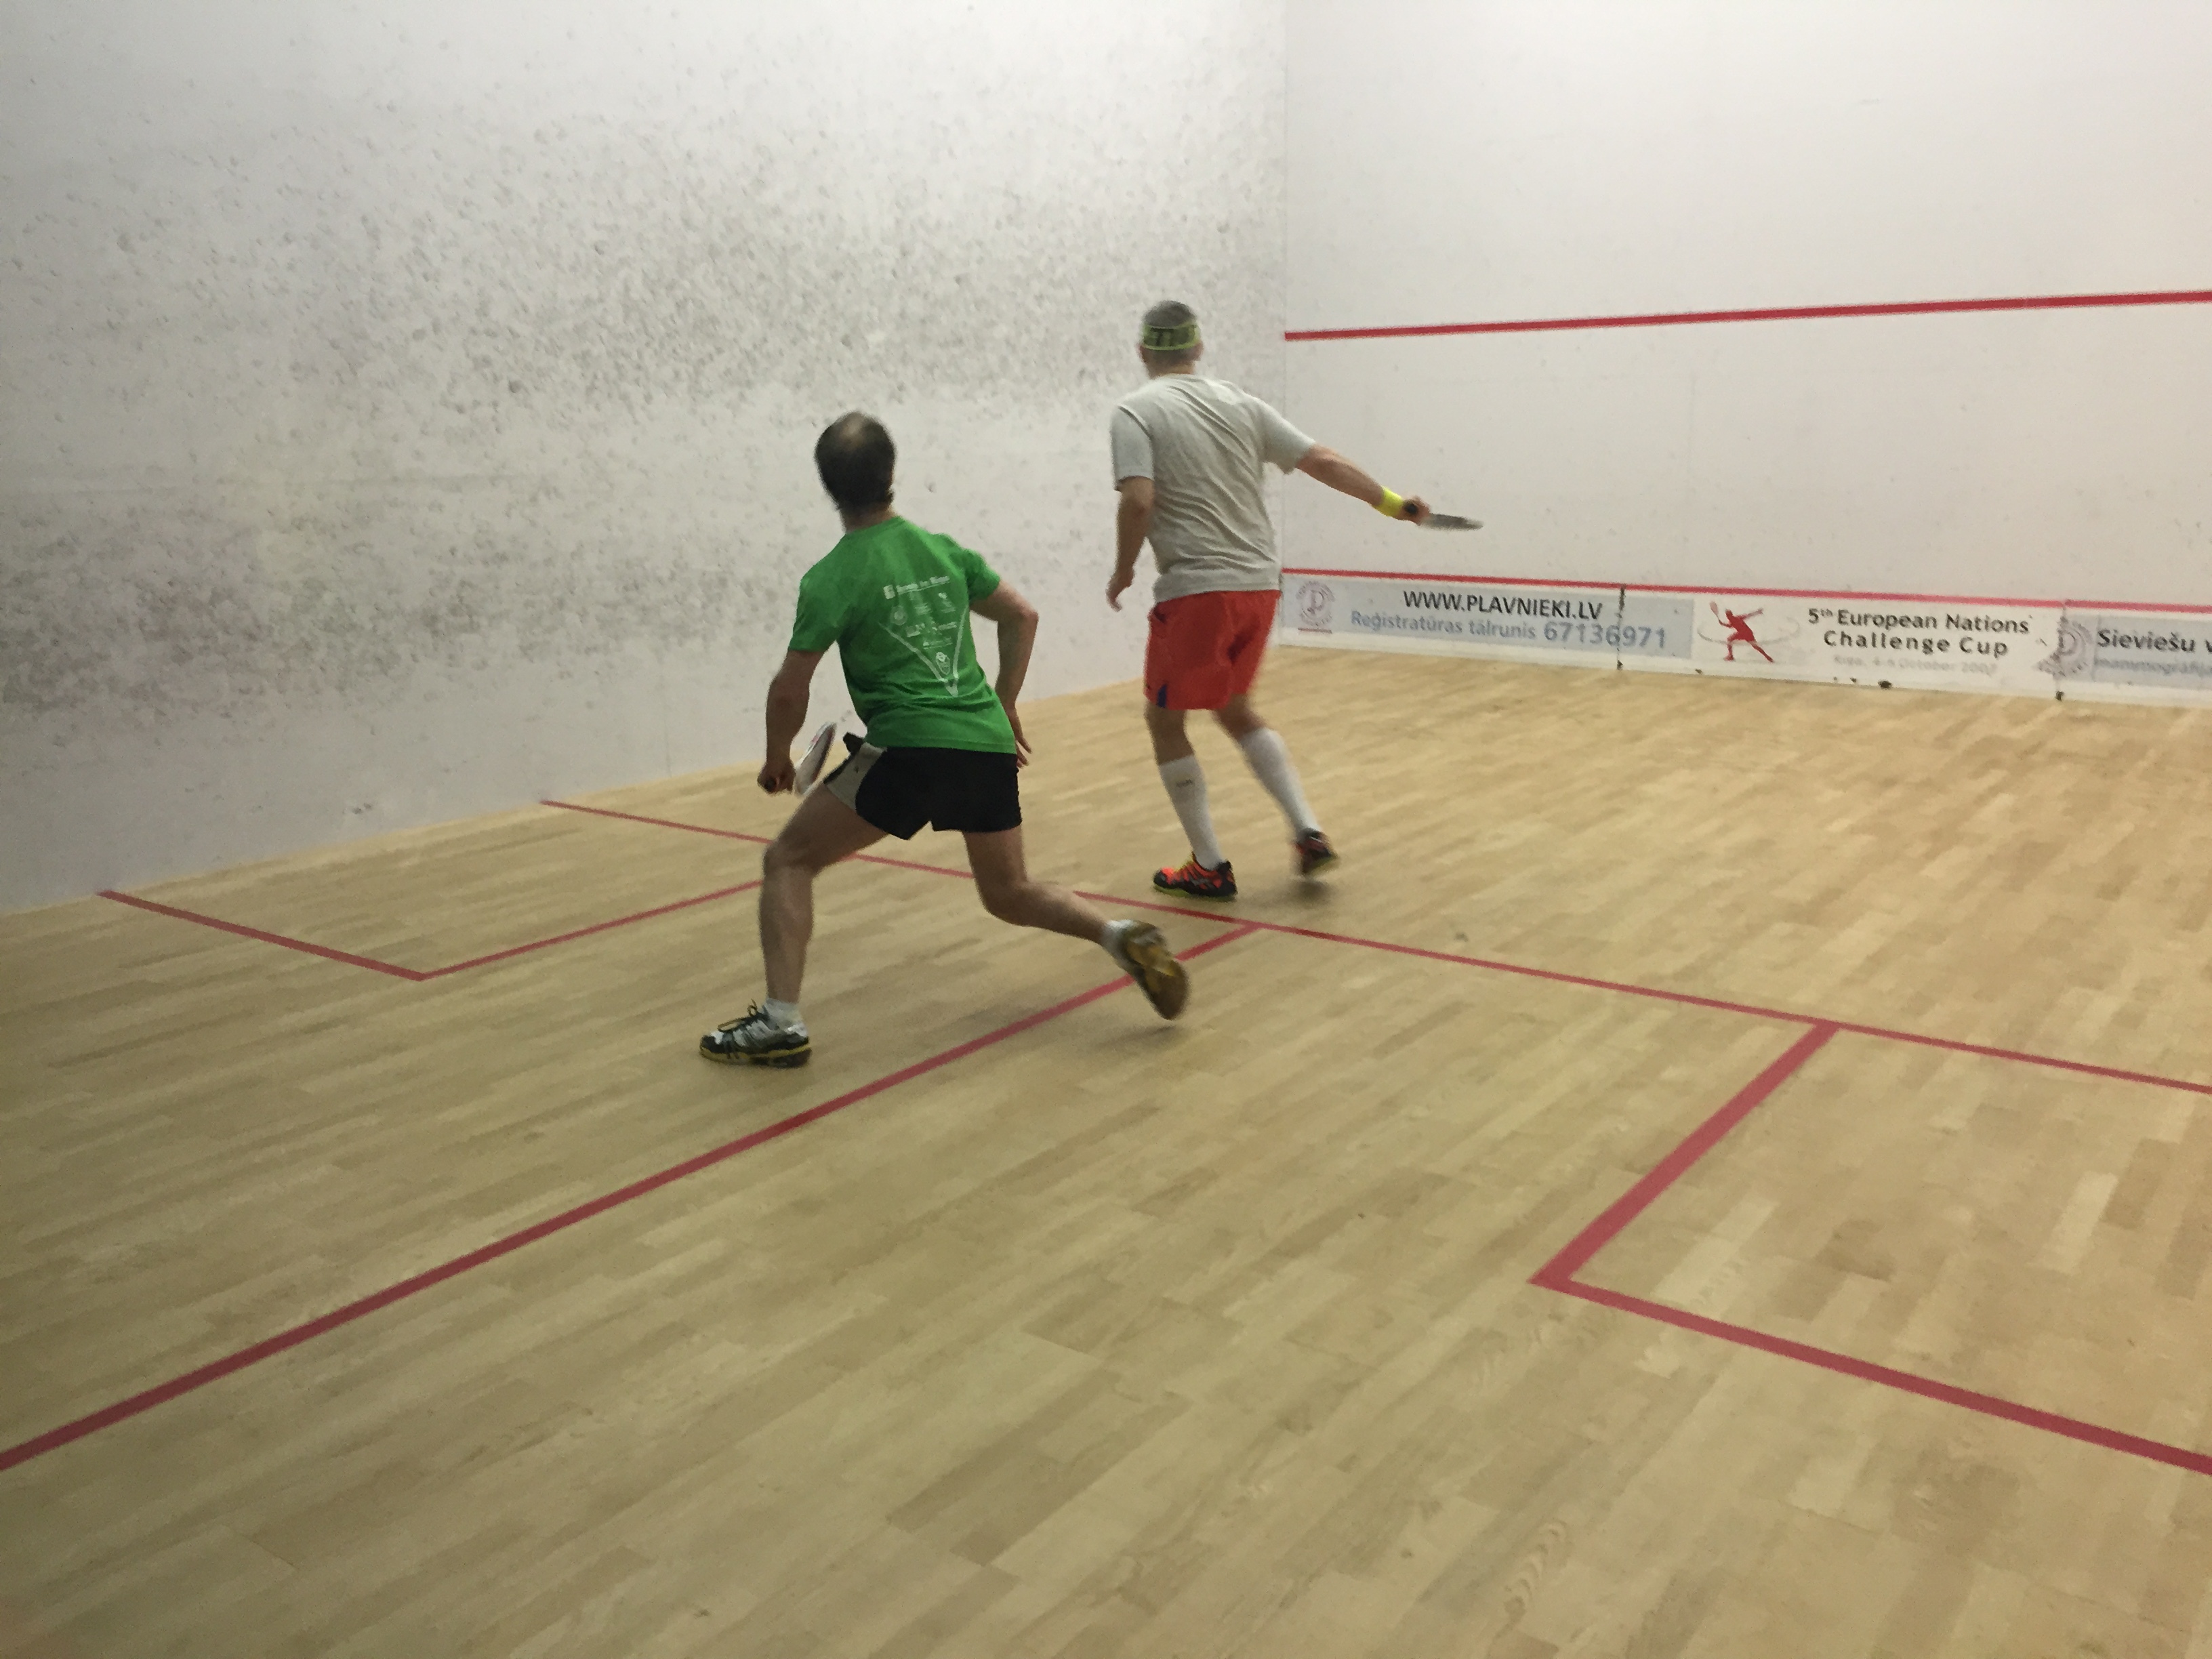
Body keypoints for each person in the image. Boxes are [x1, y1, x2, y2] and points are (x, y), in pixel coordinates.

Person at [702, 413, 1189, 1067]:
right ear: (890, 474)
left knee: (787, 860)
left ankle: (780, 1023)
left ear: (828, 486)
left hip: (909, 746)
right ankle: (1118, 934)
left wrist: (775, 756)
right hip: (982, 741)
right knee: (1009, 891)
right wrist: (1004, 702)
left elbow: (791, 688)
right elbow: (1022, 614)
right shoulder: (942, 551)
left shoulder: (832, 576)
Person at [1109, 300, 1433, 899]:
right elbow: (1323, 460)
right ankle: (1307, 832)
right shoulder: (1242, 403)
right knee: (1234, 708)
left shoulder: (1135, 411)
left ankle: (1209, 865)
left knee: (1164, 720)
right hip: (1259, 587)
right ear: (1198, 347)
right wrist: (1392, 503)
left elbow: (1138, 500)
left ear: (1143, 351)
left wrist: (1124, 568)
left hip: (1197, 589)